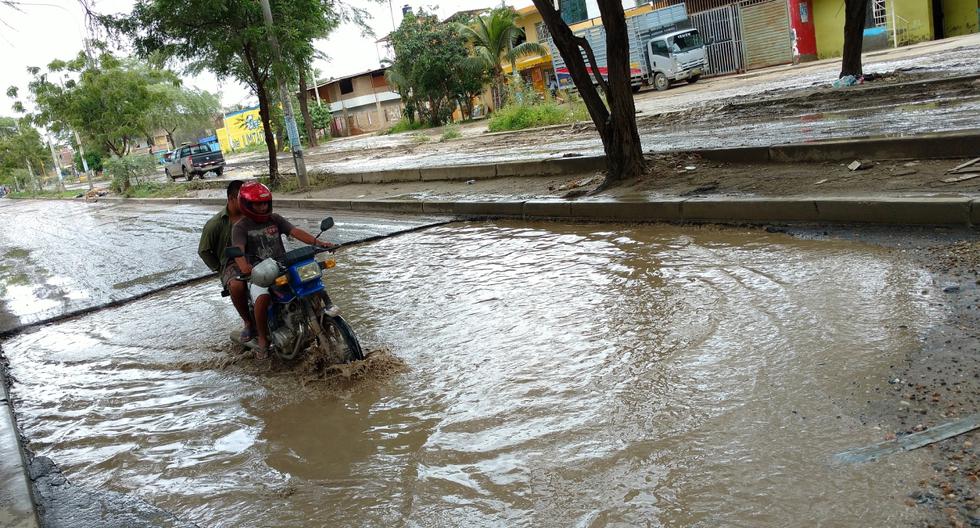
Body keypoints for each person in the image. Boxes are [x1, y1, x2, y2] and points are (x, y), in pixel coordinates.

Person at [231, 181, 334, 359]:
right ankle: (263, 339)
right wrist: (245, 267)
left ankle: (321, 323)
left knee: (311, 285)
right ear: (247, 205)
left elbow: (295, 232)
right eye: (258, 204)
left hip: (283, 267)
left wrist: (318, 243)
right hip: (260, 273)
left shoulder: (275, 219)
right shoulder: (240, 227)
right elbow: (238, 250)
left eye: (265, 203)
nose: (263, 207)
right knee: (262, 298)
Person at [198, 180, 255, 342]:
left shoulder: (253, 215)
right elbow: (204, 251)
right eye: (242, 198)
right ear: (231, 198)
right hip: (231, 264)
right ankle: (248, 322)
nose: (247, 202)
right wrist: (220, 268)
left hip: (256, 257)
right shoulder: (215, 224)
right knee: (236, 285)